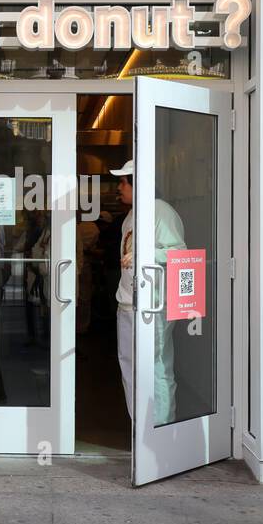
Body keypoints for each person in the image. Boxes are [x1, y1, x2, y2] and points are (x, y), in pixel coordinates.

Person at [112, 160, 186, 424]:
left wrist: (145, 254)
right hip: (128, 302)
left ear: (137, 182)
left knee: (157, 368)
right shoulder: (131, 216)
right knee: (130, 366)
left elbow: (179, 252)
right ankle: (139, 427)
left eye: (123, 181)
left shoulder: (161, 211)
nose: (118, 187)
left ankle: (162, 428)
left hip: (153, 305)